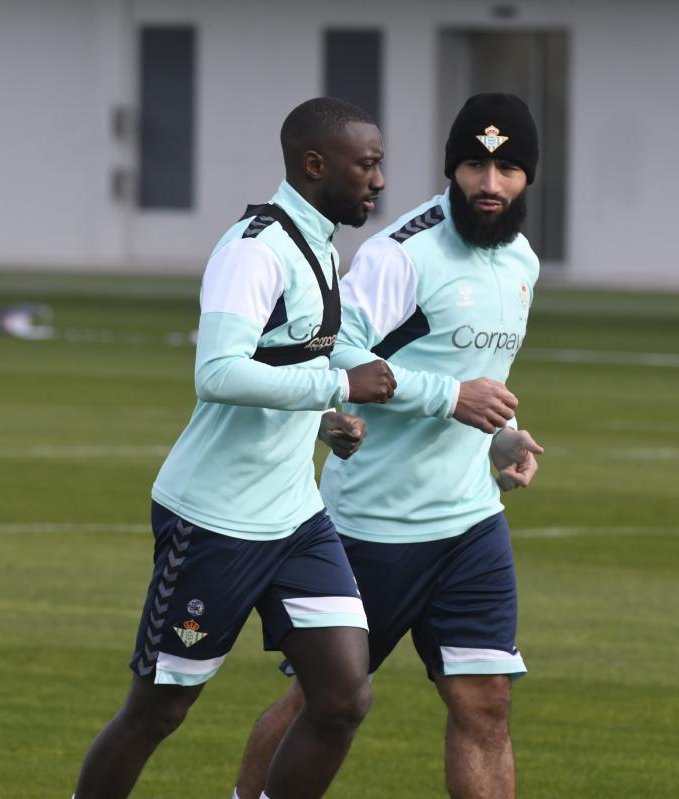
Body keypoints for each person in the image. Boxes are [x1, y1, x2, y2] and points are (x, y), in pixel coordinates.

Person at [73, 97, 396, 799]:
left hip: (294, 517)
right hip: (213, 521)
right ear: (316, 164)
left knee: (343, 697)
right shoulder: (253, 249)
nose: (378, 181)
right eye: (367, 164)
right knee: (158, 710)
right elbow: (217, 373)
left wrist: (325, 415)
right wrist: (337, 382)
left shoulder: (321, 244)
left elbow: (285, 364)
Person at [234, 92, 545, 799]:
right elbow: (331, 355)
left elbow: (475, 377)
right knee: (321, 705)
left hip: (470, 525)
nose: (489, 186)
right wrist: (448, 398)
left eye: (507, 170)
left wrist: (499, 436)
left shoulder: (522, 260)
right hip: (371, 529)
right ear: (451, 168)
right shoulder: (401, 255)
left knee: (486, 702)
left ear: (529, 177)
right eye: (474, 165)